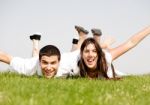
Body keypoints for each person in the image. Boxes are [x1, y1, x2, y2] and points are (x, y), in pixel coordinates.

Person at [56, 25, 150, 79]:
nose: (90, 55)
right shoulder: (73, 62)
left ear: (99, 53)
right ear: (81, 54)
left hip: (106, 70)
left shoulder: (106, 57)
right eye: (87, 51)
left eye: (94, 51)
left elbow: (130, 43)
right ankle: (84, 36)